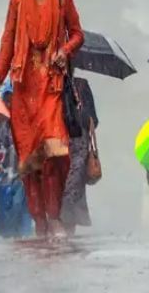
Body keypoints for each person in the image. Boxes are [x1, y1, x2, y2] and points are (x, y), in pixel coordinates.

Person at [0, 0, 84, 238]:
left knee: (55, 154)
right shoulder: (17, 3)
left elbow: (78, 34)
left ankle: (54, 216)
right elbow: (7, 44)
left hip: (52, 87)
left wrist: (65, 50)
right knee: (30, 162)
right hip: (24, 90)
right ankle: (40, 220)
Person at [0, 83, 33, 238]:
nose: (11, 104)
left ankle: (21, 253)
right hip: (1, 181)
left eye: (14, 100)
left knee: (22, 225)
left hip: (22, 182)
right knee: (0, 227)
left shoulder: (28, 124)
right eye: (7, 100)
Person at [61, 76, 98, 235]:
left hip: (77, 151)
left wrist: (81, 115)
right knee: (63, 193)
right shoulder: (53, 85)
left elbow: (93, 120)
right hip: (62, 149)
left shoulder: (82, 85)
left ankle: (66, 237)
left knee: (70, 195)